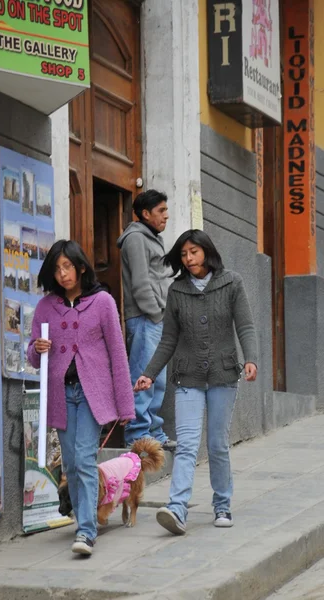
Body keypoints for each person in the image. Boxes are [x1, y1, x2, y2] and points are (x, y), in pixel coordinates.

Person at [134, 229, 258, 533]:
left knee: (217, 444)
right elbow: (168, 340)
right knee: (187, 444)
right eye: (184, 254)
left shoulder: (232, 282)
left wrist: (251, 359)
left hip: (223, 375)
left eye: (194, 252)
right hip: (188, 377)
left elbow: (245, 325)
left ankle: (222, 504)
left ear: (207, 251)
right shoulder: (177, 290)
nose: (188, 259)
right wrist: (149, 373)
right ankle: (177, 509)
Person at [27, 240, 135, 557]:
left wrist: (125, 404)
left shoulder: (102, 302)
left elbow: (118, 353)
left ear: (81, 267)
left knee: (85, 459)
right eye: (57, 269)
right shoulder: (46, 306)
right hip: (62, 393)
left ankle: (86, 531)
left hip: (92, 395)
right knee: (71, 464)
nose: (62, 274)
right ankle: (83, 520)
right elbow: (33, 356)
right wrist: (38, 349)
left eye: (67, 267)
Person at [117, 190, 175, 450]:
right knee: (142, 377)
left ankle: (154, 432)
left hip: (157, 319)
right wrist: (156, 314)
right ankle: (137, 435)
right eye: (161, 211)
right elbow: (141, 284)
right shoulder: (136, 238)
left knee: (157, 379)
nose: (166, 215)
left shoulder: (151, 237)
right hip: (144, 319)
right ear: (145, 214)